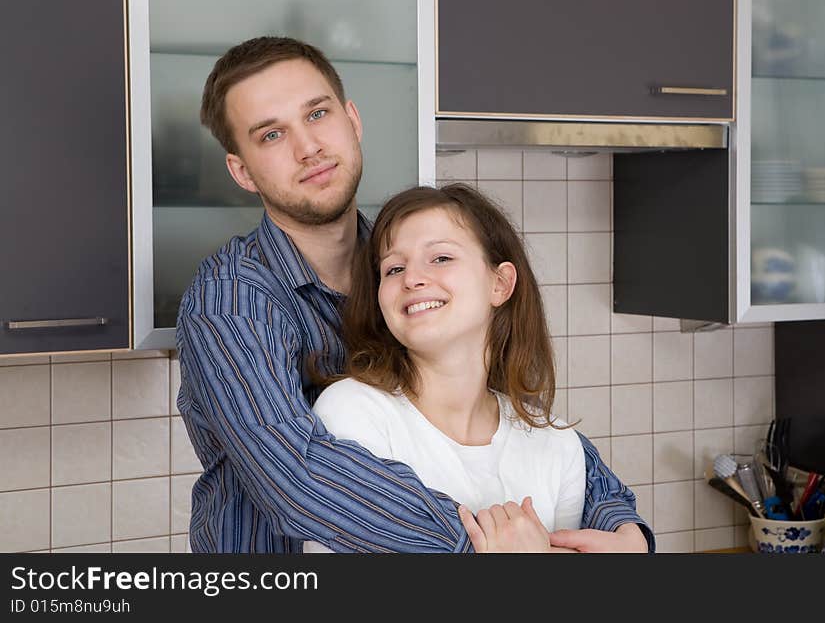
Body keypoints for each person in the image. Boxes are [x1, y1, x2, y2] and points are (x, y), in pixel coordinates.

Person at [176, 35, 654, 553]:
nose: (307, 146)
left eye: (317, 114)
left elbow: (515, 425)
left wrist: (623, 531)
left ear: (352, 120)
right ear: (242, 171)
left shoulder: (402, 264)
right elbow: (297, 475)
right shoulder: (228, 301)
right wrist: (487, 546)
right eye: (271, 135)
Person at [305, 183, 647, 553]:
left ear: (500, 284)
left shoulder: (557, 444)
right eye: (394, 268)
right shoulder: (353, 412)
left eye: (440, 258)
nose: (412, 278)